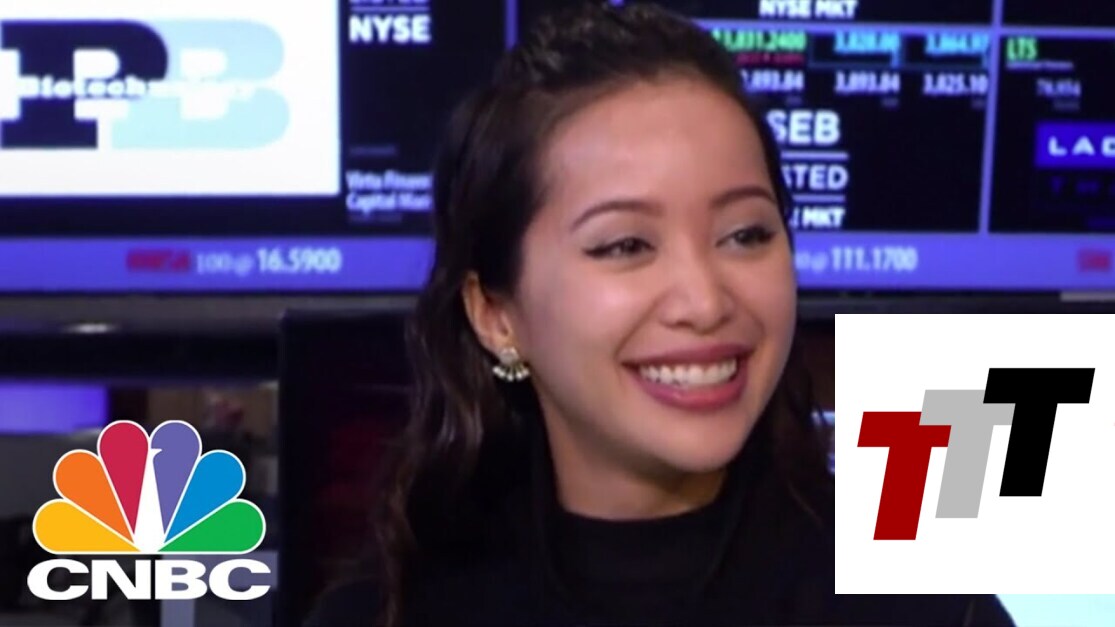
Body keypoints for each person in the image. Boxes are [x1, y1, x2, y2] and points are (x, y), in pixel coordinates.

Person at [307, 3, 1015, 626]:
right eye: (625, 245)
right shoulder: (388, 608)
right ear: (495, 314)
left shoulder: (926, 597)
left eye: (746, 234)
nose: (705, 302)